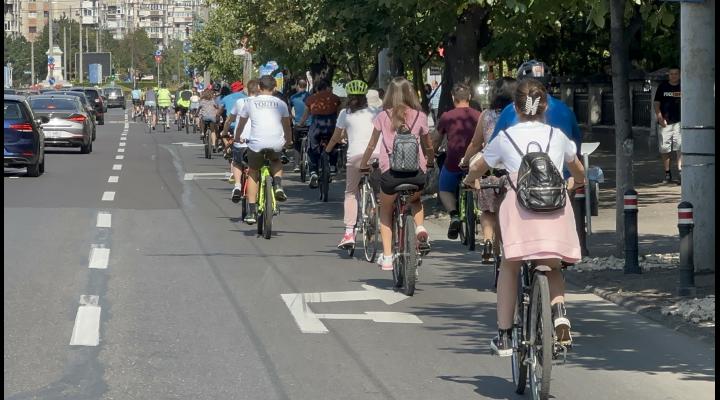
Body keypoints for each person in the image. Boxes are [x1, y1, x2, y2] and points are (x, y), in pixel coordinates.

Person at [463, 78, 585, 356]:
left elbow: (480, 165)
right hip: (555, 210)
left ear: (515, 109)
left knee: (510, 265)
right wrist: (576, 182)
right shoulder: (558, 136)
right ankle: (560, 314)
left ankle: (505, 336)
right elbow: (577, 170)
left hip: (519, 213)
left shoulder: (505, 138)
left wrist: (472, 180)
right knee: (552, 266)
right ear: (545, 107)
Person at [360, 77, 435, 270]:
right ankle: (419, 227)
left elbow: (371, 144)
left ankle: (386, 257)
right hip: (416, 174)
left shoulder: (383, 116)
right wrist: (430, 162)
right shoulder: (420, 116)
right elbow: (428, 146)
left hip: (390, 175)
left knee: (385, 209)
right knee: (415, 200)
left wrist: (363, 163)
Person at [489, 60, 582, 183]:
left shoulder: (510, 110)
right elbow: (577, 146)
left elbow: (493, 147)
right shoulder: (565, 110)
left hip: (521, 184)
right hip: (560, 183)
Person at [461, 77, 517, 260]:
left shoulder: (486, 115)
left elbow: (476, 143)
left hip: (489, 169)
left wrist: (465, 160)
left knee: (487, 210)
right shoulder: (519, 115)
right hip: (513, 172)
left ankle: (487, 239)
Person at [325, 80, 381, 249]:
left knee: (350, 193)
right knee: (381, 192)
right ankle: (374, 212)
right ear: (365, 97)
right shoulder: (377, 111)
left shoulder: (345, 113)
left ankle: (349, 233)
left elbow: (336, 137)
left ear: (349, 97)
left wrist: (327, 151)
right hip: (377, 156)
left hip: (356, 157)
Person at [234, 75, 293, 225]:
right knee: (276, 160)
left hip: (256, 144)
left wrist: (238, 136)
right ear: (274, 88)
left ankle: (252, 212)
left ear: (259, 88)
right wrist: (288, 140)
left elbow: (241, 123)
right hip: (276, 142)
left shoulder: (250, 103)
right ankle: (278, 185)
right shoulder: (281, 104)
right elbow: (287, 125)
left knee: (253, 171)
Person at [432, 83, 481, 240]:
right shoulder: (479, 115)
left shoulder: (447, 116)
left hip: (453, 161)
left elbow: (436, 140)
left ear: (453, 98)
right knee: (481, 181)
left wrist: (432, 153)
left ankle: (454, 215)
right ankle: (479, 209)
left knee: (444, 188)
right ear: (470, 97)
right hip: (475, 162)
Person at [298, 79, 342, 188]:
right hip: (331, 125)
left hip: (317, 126)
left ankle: (313, 171)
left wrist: (300, 124)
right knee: (334, 143)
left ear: (316, 89)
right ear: (326, 88)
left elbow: (305, 115)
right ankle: (332, 166)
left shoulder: (311, 99)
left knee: (312, 148)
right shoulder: (335, 98)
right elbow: (339, 114)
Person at [222, 79, 260, 203]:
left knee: (237, 162)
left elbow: (229, 120)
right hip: (259, 142)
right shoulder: (263, 103)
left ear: (247, 90)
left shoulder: (240, 102)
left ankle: (237, 185)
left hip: (242, 141)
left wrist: (224, 132)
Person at [654, 67, 682, 184]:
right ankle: (667, 173)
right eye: (671, 74)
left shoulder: (684, 86)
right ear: (668, 75)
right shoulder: (663, 87)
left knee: (680, 148)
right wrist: (660, 118)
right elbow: (656, 103)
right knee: (665, 149)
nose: (674, 76)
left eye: (676, 74)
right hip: (665, 123)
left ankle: (681, 172)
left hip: (680, 122)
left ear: (680, 75)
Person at [289, 79, 312, 172]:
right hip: (310, 124)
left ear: (298, 86)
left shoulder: (293, 97)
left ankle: (296, 165)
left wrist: (293, 118)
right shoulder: (310, 97)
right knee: (311, 143)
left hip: (298, 124)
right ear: (306, 86)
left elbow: (288, 110)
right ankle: (311, 163)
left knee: (297, 144)